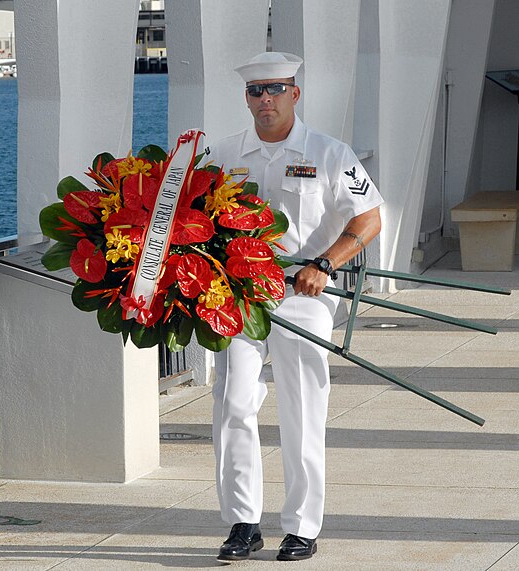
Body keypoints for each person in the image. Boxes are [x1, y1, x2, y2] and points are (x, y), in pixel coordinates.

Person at [205, 51, 383, 562]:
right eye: (256, 91)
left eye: (276, 90)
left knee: (302, 410)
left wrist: (325, 264)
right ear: (246, 98)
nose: (266, 99)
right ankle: (242, 522)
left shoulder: (329, 152)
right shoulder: (223, 155)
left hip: (304, 292)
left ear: (294, 94)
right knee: (233, 402)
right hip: (239, 296)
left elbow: (369, 218)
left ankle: (302, 526)